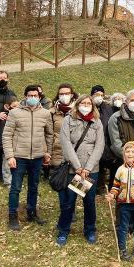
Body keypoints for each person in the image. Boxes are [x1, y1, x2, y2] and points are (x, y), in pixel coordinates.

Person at [55, 94, 105, 246]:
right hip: (73, 169)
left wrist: (87, 168)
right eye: (82, 103)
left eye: (88, 103)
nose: (85, 105)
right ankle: (63, 230)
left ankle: (90, 230)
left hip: (90, 170)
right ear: (77, 105)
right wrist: (78, 167)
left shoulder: (96, 121)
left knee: (89, 202)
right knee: (69, 202)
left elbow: (99, 145)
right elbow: (66, 143)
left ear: (92, 106)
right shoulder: (69, 120)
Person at [2, 85, 53, 231]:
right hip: (19, 156)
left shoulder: (45, 113)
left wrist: (47, 152)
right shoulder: (15, 113)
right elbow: (7, 135)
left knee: (33, 186)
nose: (32, 98)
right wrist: (10, 156)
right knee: (15, 188)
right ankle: (12, 216)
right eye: (30, 95)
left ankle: (32, 213)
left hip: (37, 156)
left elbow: (49, 135)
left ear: (39, 97)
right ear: (25, 96)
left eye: (35, 95)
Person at [49, 84, 78, 175]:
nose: (64, 96)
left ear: (72, 95)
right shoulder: (52, 112)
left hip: (75, 152)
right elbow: (48, 133)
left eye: (67, 93)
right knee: (58, 183)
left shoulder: (79, 111)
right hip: (57, 152)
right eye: (61, 94)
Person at [91, 85, 114, 193]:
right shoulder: (87, 106)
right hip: (91, 142)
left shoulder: (107, 108)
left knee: (103, 166)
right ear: (92, 95)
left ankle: (102, 189)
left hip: (105, 142)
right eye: (97, 94)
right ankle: (92, 189)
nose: (99, 97)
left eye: (101, 95)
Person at [0, 97, 19, 188]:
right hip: (7, 145)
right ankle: (7, 181)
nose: (16, 108)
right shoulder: (5, 118)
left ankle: (15, 180)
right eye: (14, 106)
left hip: (17, 144)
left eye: (17, 106)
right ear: (8, 107)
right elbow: (3, 133)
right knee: (6, 164)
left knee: (15, 164)